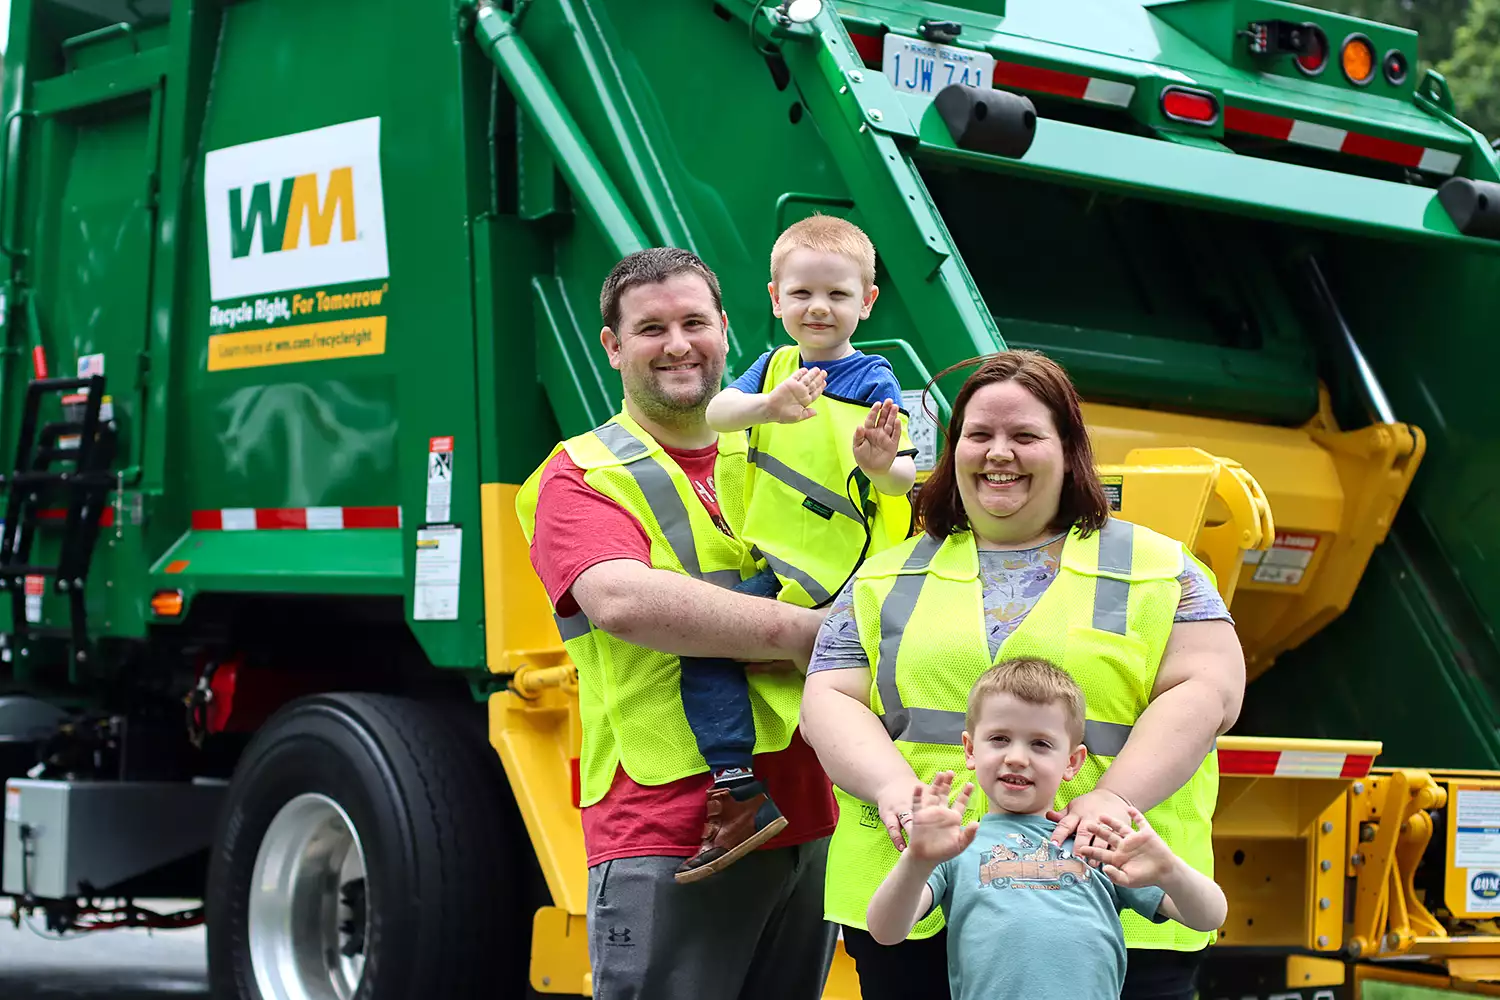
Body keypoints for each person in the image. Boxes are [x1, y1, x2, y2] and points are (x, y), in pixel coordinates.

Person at [799, 349, 1247, 1000]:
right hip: (919, 903)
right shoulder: (883, 577)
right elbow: (829, 701)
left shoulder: (1161, 568)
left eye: (1025, 436)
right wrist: (894, 788)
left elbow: (1210, 691)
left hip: (1108, 906)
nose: (997, 453)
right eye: (979, 435)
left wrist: (1113, 801)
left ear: (1069, 450)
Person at [514, 247, 839, 999]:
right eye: (651, 328)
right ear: (613, 346)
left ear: (726, 328)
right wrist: (803, 634)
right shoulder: (582, 474)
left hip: (808, 809)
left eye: (695, 321)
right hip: (674, 824)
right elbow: (621, 600)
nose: (678, 344)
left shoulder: (772, 450)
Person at [669, 214, 918, 882]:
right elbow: (718, 413)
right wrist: (767, 407)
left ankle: (743, 794)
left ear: (866, 304)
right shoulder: (776, 369)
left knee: (709, 652)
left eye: (838, 295)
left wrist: (880, 462)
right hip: (781, 572)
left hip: (840, 585)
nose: (818, 307)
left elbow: (903, 478)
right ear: (776, 299)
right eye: (803, 293)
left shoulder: (873, 379)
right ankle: (744, 792)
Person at [865, 658, 1227, 1000]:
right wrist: (917, 860)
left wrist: (1171, 872)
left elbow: (1208, 917)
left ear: (1072, 762)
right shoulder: (955, 847)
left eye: (1040, 744)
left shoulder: (1095, 844)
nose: (1017, 757)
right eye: (999, 739)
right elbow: (885, 930)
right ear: (970, 750)